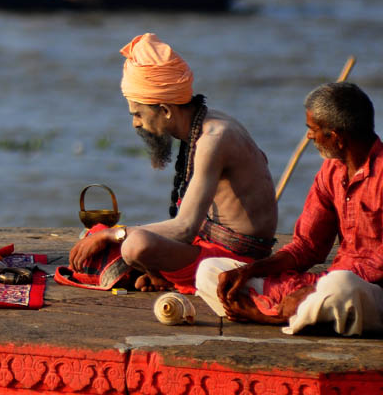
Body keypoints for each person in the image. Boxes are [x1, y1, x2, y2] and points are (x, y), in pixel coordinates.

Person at [68, 33, 277, 293]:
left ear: (166, 110)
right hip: (206, 243)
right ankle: (158, 274)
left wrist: (114, 234)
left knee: (132, 246)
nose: (135, 123)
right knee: (94, 239)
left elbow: (185, 228)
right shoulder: (206, 122)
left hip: (233, 262)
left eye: (138, 114)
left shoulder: (214, 139)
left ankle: (161, 275)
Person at [196, 82, 383, 336]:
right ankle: (294, 313)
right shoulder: (330, 171)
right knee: (212, 271)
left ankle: (276, 316)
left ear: (336, 138)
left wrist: (318, 288)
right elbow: (306, 247)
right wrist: (250, 269)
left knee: (341, 287)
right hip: (326, 284)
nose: (308, 136)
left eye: (312, 130)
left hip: (368, 291)